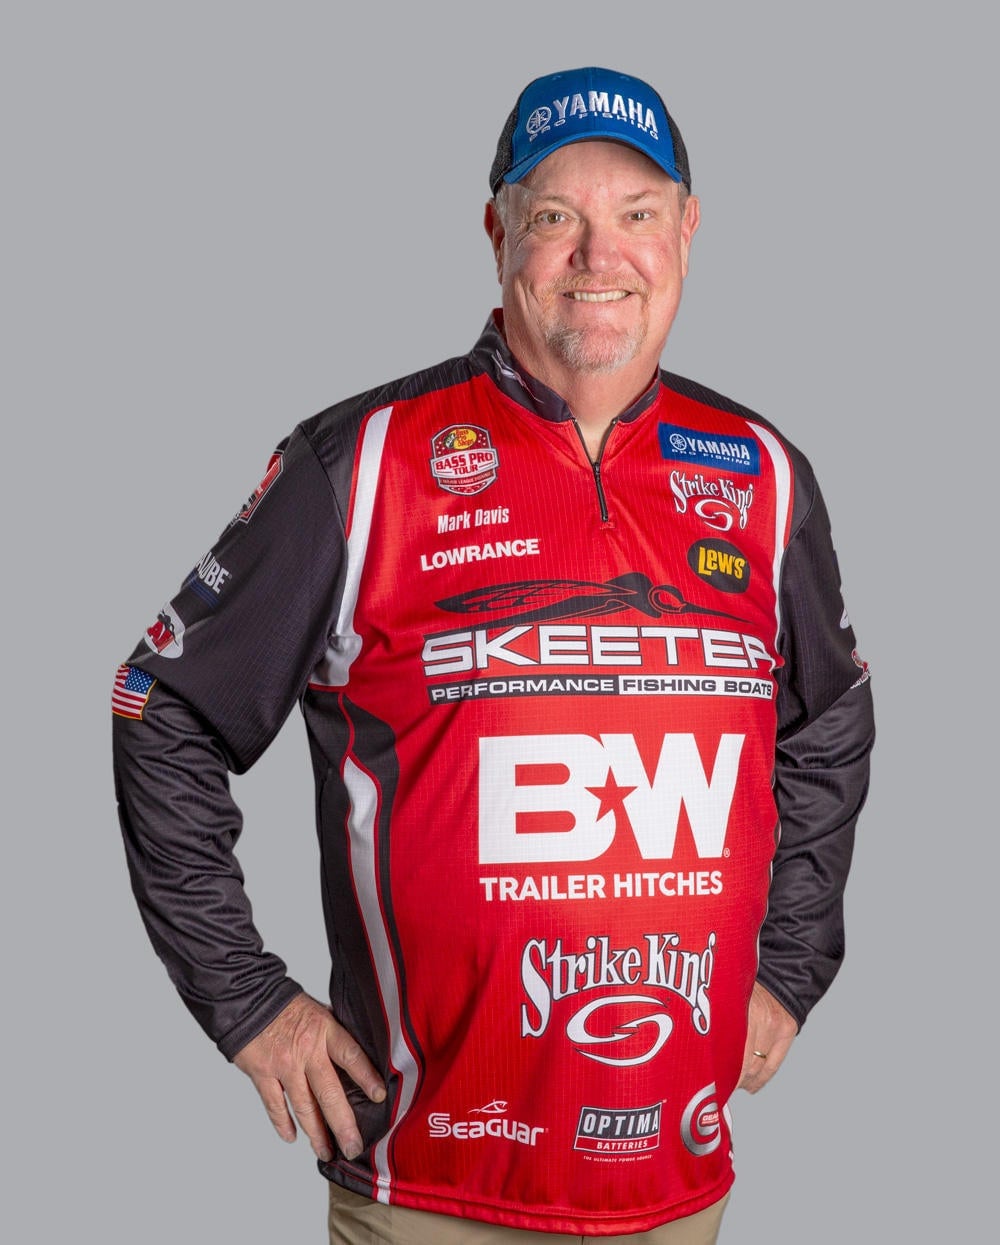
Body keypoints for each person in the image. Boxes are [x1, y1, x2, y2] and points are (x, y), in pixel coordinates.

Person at [113, 66, 874, 1243]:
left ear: (686, 230)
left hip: (675, 1186)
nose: (598, 255)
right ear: (498, 232)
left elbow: (828, 721)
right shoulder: (364, 463)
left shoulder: (763, 474)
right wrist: (248, 1001)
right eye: (556, 214)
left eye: (635, 213)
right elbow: (162, 708)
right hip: (429, 1189)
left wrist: (790, 963)